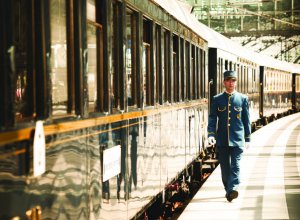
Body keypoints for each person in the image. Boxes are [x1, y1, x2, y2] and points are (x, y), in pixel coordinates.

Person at [207, 70, 251, 202]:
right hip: (222, 140)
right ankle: (229, 190)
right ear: (224, 82)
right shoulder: (217, 99)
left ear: (236, 82)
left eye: (233, 80)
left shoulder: (243, 99)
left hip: (237, 140)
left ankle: (232, 190)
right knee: (225, 169)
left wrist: (248, 138)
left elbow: (246, 120)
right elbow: (212, 118)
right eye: (228, 80)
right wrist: (211, 134)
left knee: (236, 166)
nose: (231, 83)